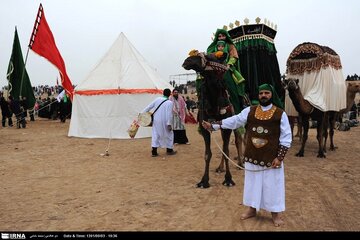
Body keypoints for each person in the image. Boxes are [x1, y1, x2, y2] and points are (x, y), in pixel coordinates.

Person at [202, 83, 292, 227]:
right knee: (252, 185)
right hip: (252, 155)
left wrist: (280, 157)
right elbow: (235, 120)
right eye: (261, 93)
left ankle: (275, 214)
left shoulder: (280, 114)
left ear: (271, 95)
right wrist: (215, 125)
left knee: (272, 186)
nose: (263, 95)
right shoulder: (250, 111)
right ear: (258, 95)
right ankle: (251, 209)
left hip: (271, 158)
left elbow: (286, 137)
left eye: (266, 93)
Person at [207, 29, 245, 115]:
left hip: (226, 69)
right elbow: (208, 56)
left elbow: (234, 56)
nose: (221, 38)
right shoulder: (213, 47)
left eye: (223, 36)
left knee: (232, 88)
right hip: (214, 69)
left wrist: (229, 64)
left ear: (226, 36)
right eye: (219, 36)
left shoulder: (230, 46)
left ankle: (237, 110)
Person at [142, 88, 177, 157]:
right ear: (170, 94)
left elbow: (149, 107)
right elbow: (169, 114)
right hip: (165, 121)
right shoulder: (170, 103)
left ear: (163, 93)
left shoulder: (157, 99)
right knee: (169, 134)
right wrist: (169, 124)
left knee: (155, 134)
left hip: (156, 120)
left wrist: (142, 113)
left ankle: (154, 151)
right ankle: (169, 150)